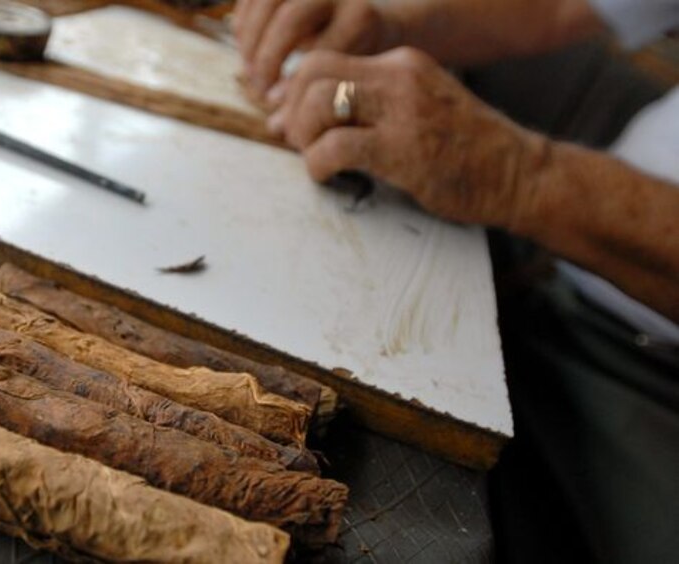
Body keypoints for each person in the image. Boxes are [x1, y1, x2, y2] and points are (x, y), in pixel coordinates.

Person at [233, 0, 678, 562]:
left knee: (392, 515)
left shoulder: (521, 178)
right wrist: (386, 19)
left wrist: (520, 175)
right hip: (560, 249)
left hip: (653, 373)